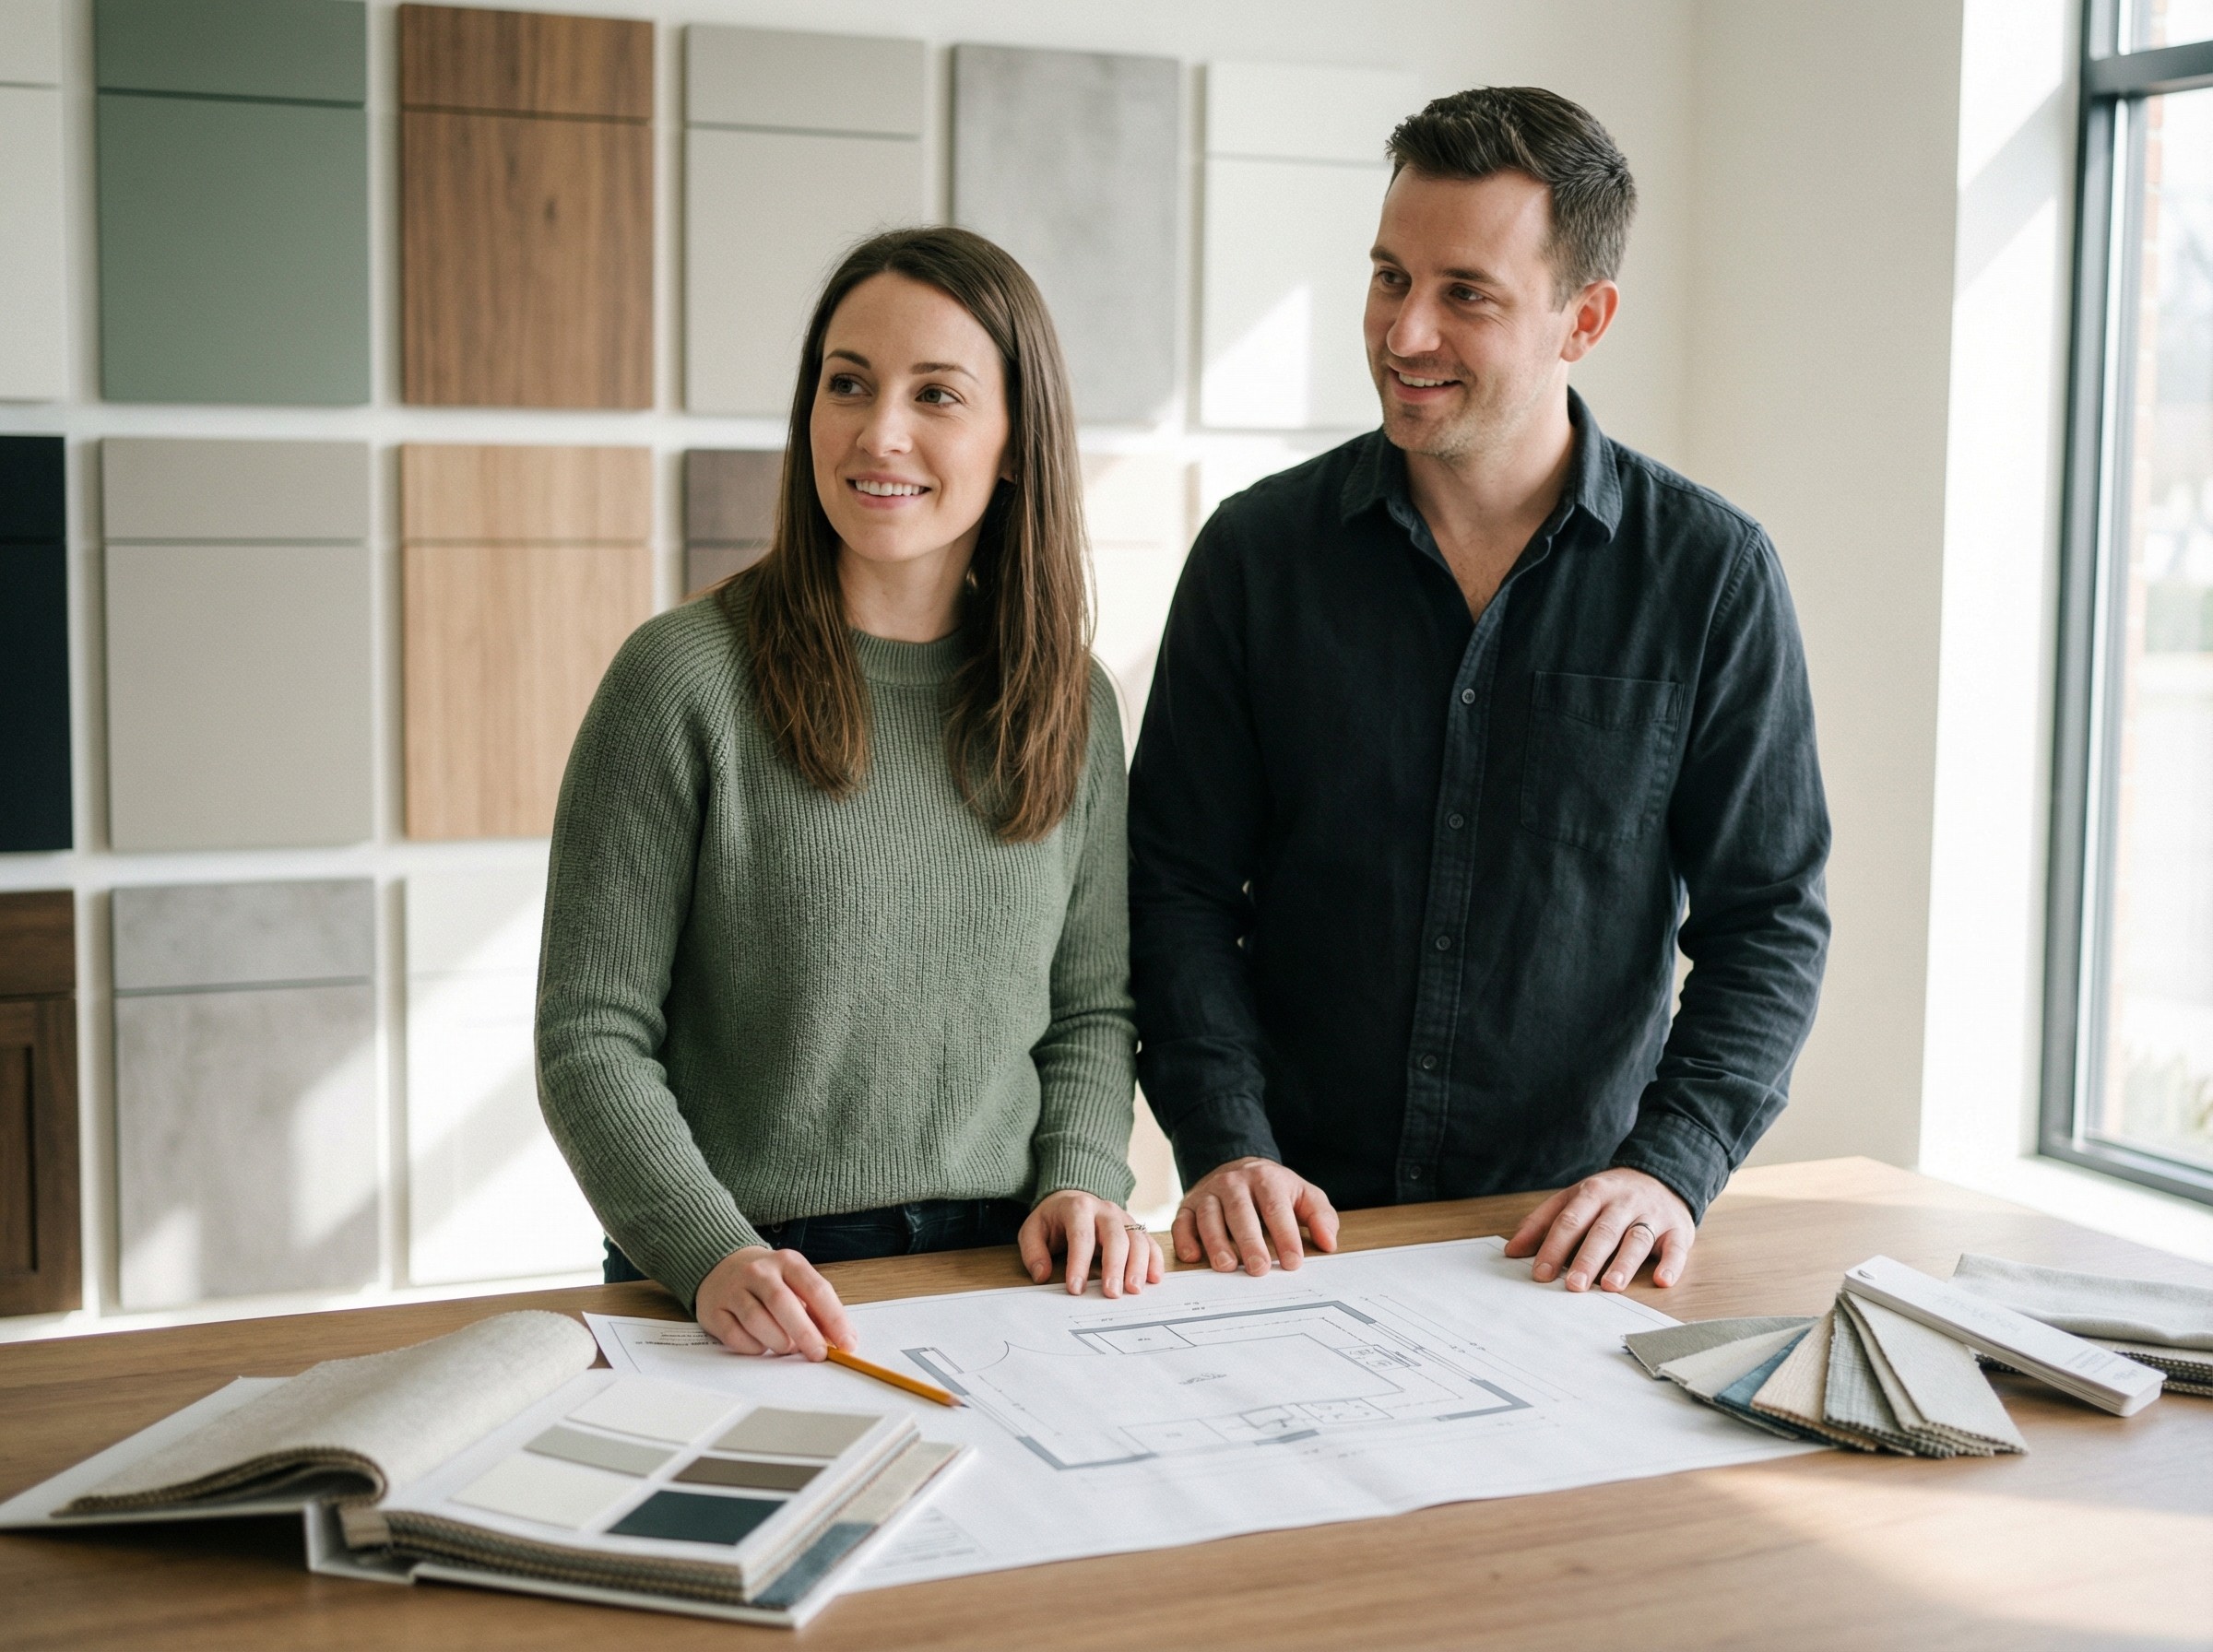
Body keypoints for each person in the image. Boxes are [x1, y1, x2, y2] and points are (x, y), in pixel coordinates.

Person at [1128, 87, 1830, 1297]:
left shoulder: (1712, 577)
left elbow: (1765, 919)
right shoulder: (1255, 558)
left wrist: (1670, 1168)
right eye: (1390, 277)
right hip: (1287, 1234)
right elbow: (1176, 886)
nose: (1405, 332)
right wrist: (1226, 1142)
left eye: (1466, 295)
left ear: (1585, 318)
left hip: (1563, 1250)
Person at [538, 226, 1160, 1363]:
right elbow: (591, 1035)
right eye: (848, 384)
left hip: (1010, 1271)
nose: (881, 433)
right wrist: (709, 1253)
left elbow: (1091, 1011)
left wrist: (1082, 1179)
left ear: (1016, 440)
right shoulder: (680, 680)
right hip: (742, 1280)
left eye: (938, 394)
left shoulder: (1071, 705)